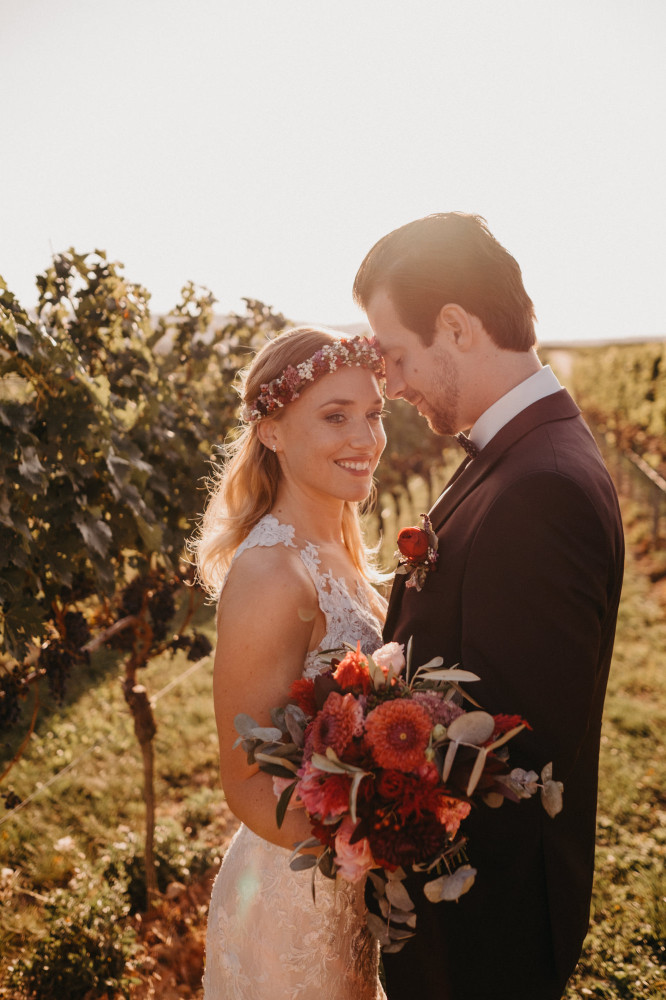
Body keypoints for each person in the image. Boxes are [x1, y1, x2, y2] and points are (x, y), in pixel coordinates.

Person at [353, 212, 624, 1000]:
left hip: (481, 934)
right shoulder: (519, 452)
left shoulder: (539, 486)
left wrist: (387, 839)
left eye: (397, 356)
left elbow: (514, 748)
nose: (392, 385)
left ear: (456, 326)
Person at [193, 326, 389, 1000]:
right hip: (297, 899)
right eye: (336, 417)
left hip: (358, 885)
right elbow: (248, 785)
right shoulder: (272, 574)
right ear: (272, 431)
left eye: (373, 414)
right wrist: (371, 850)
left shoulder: (341, 545)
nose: (364, 438)